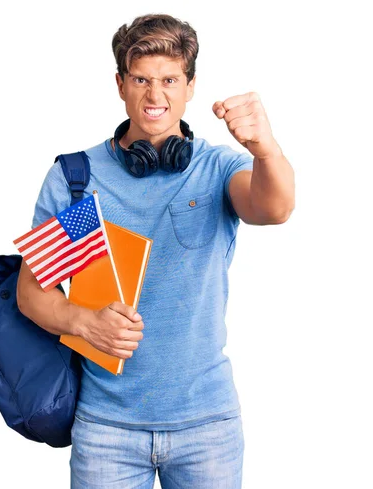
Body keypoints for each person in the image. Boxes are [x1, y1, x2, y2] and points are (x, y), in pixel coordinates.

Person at [16, 13, 295, 489]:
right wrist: (84, 322)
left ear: (190, 87)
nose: (155, 95)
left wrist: (265, 150)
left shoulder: (214, 169)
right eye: (141, 79)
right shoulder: (80, 181)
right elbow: (32, 294)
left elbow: (274, 208)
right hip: (106, 429)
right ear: (121, 84)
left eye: (169, 80)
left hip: (208, 427)